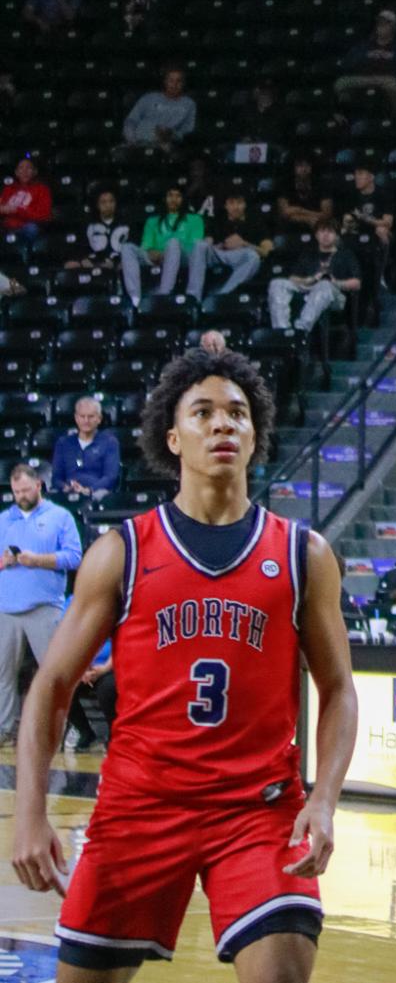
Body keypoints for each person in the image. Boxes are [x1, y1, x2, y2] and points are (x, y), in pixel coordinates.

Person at [11, 346, 358, 974]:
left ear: (256, 436)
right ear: (172, 438)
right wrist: (31, 814)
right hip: (140, 806)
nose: (222, 423)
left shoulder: (305, 554)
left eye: (237, 413)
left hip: (258, 809)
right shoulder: (123, 551)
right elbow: (53, 684)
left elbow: (339, 690)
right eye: (203, 412)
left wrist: (325, 798)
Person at [0, 463, 82, 744]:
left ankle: (59, 730)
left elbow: (74, 557)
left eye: (25, 489)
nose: (20, 495)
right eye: (16, 491)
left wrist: (39, 560)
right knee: (2, 675)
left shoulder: (61, 516)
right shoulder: (3, 519)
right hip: (6, 608)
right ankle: (4, 729)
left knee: (52, 674)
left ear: (39, 485)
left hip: (45, 606)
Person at [267, 218, 360, 338]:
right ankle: (282, 331)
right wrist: (311, 279)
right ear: (316, 235)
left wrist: (334, 282)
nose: (325, 235)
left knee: (325, 284)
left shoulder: (345, 255)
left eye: (330, 231)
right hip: (309, 287)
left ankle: (301, 330)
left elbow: (356, 283)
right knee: (277, 283)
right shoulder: (308, 254)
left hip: (335, 294)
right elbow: (293, 278)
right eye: (322, 231)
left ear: (336, 235)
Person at [121, 184, 207, 310]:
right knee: (127, 248)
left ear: (183, 199)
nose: (173, 199)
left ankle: (164, 293)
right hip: (157, 256)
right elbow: (147, 245)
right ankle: (135, 298)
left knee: (173, 243)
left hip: (183, 257)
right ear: (165, 198)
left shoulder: (195, 219)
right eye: (170, 196)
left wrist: (169, 251)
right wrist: (151, 251)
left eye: (178, 196)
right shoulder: (152, 220)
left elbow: (194, 247)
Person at [333, 10, 396, 120]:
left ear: (393, 27)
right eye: (379, 23)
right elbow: (346, 63)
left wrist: (393, 56)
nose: (381, 26)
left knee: (392, 84)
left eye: (385, 24)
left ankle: (394, 118)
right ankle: (344, 116)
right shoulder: (364, 45)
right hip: (364, 78)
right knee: (341, 83)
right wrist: (366, 55)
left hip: (389, 78)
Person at [188, 188, 268, 303]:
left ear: (245, 205)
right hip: (219, 253)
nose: (235, 207)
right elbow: (207, 244)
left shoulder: (255, 222)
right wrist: (222, 245)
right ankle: (193, 298)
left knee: (253, 257)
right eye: (231, 203)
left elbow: (266, 252)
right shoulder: (217, 221)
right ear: (226, 206)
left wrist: (244, 243)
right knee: (199, 245)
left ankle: (222, 295)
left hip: (241, 255)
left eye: (239, 203)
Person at [50, 397, 120, 504]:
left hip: (97, 492)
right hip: (68, 491)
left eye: (91, 416)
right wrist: (66, 487)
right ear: (76, 418)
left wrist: (89, 490)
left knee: (103, 496)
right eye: (82, 416)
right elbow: (56, 477)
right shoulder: (63, 443)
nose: (86, 421)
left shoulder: (109, 442)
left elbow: (110, 477)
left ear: (99, 419)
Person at [121, 65, 196, 154]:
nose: (174, 85)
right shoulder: (148, 98)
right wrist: (132, 140)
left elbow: (187, 130)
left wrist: (171, 134)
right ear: (165, 81)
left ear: (184, 83)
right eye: (171, 80)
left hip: (166, 145)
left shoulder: (189, 103)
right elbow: (131, 121)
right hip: (138, 143)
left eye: (179, 81)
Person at [64, 188, 131, 281]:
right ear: (97, 205)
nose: (108, 205)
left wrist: (117, 263)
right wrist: (84, 260)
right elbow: (80, 248)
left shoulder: (126, 224)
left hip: (118, 264)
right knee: (70, 265)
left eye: (111, 201)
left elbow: (132, 250)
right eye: (103, 202)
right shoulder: (88, 225)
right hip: (93, 263)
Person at [0, 156, 52, 241]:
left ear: (35, 172)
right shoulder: (8, 189)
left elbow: (44, 215)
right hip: (7, 226)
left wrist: (17, 210)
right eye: (21, 168)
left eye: (28, 168)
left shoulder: (42, 189)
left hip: (27, 226)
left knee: (32, 228)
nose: (24, 171)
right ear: (16, 172)